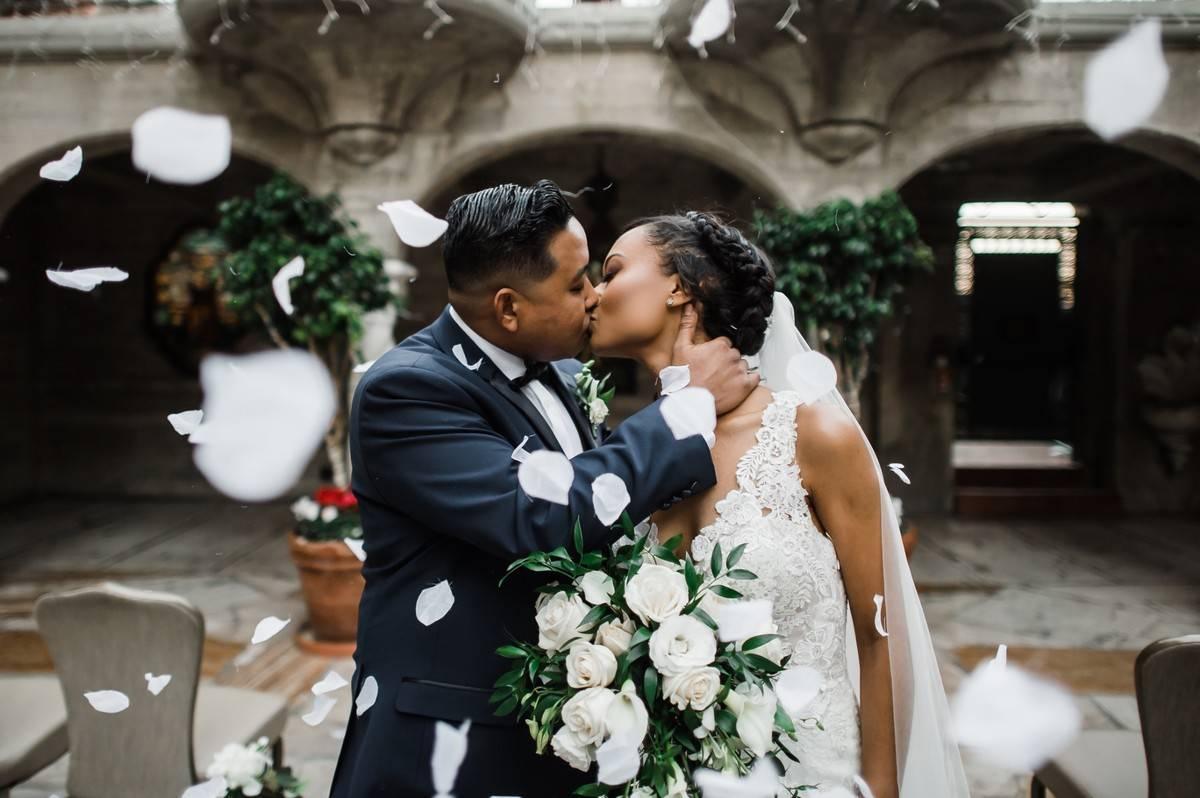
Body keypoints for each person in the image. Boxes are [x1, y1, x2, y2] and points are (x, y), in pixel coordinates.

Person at [328, 183, 759, 797]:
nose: (594, 297)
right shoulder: (407, 391)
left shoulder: (562, 371)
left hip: (554, 736)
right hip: (450, 745)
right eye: (577, 282)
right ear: (508, 308)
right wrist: (685, 409)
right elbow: (548, 517)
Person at [588, 211, 972, 798]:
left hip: (812, 774)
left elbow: (879, 635)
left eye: (611, 271)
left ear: (678, 288)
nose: (593, 292)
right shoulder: (629, 452)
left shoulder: (813, 433)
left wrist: (879, 790)